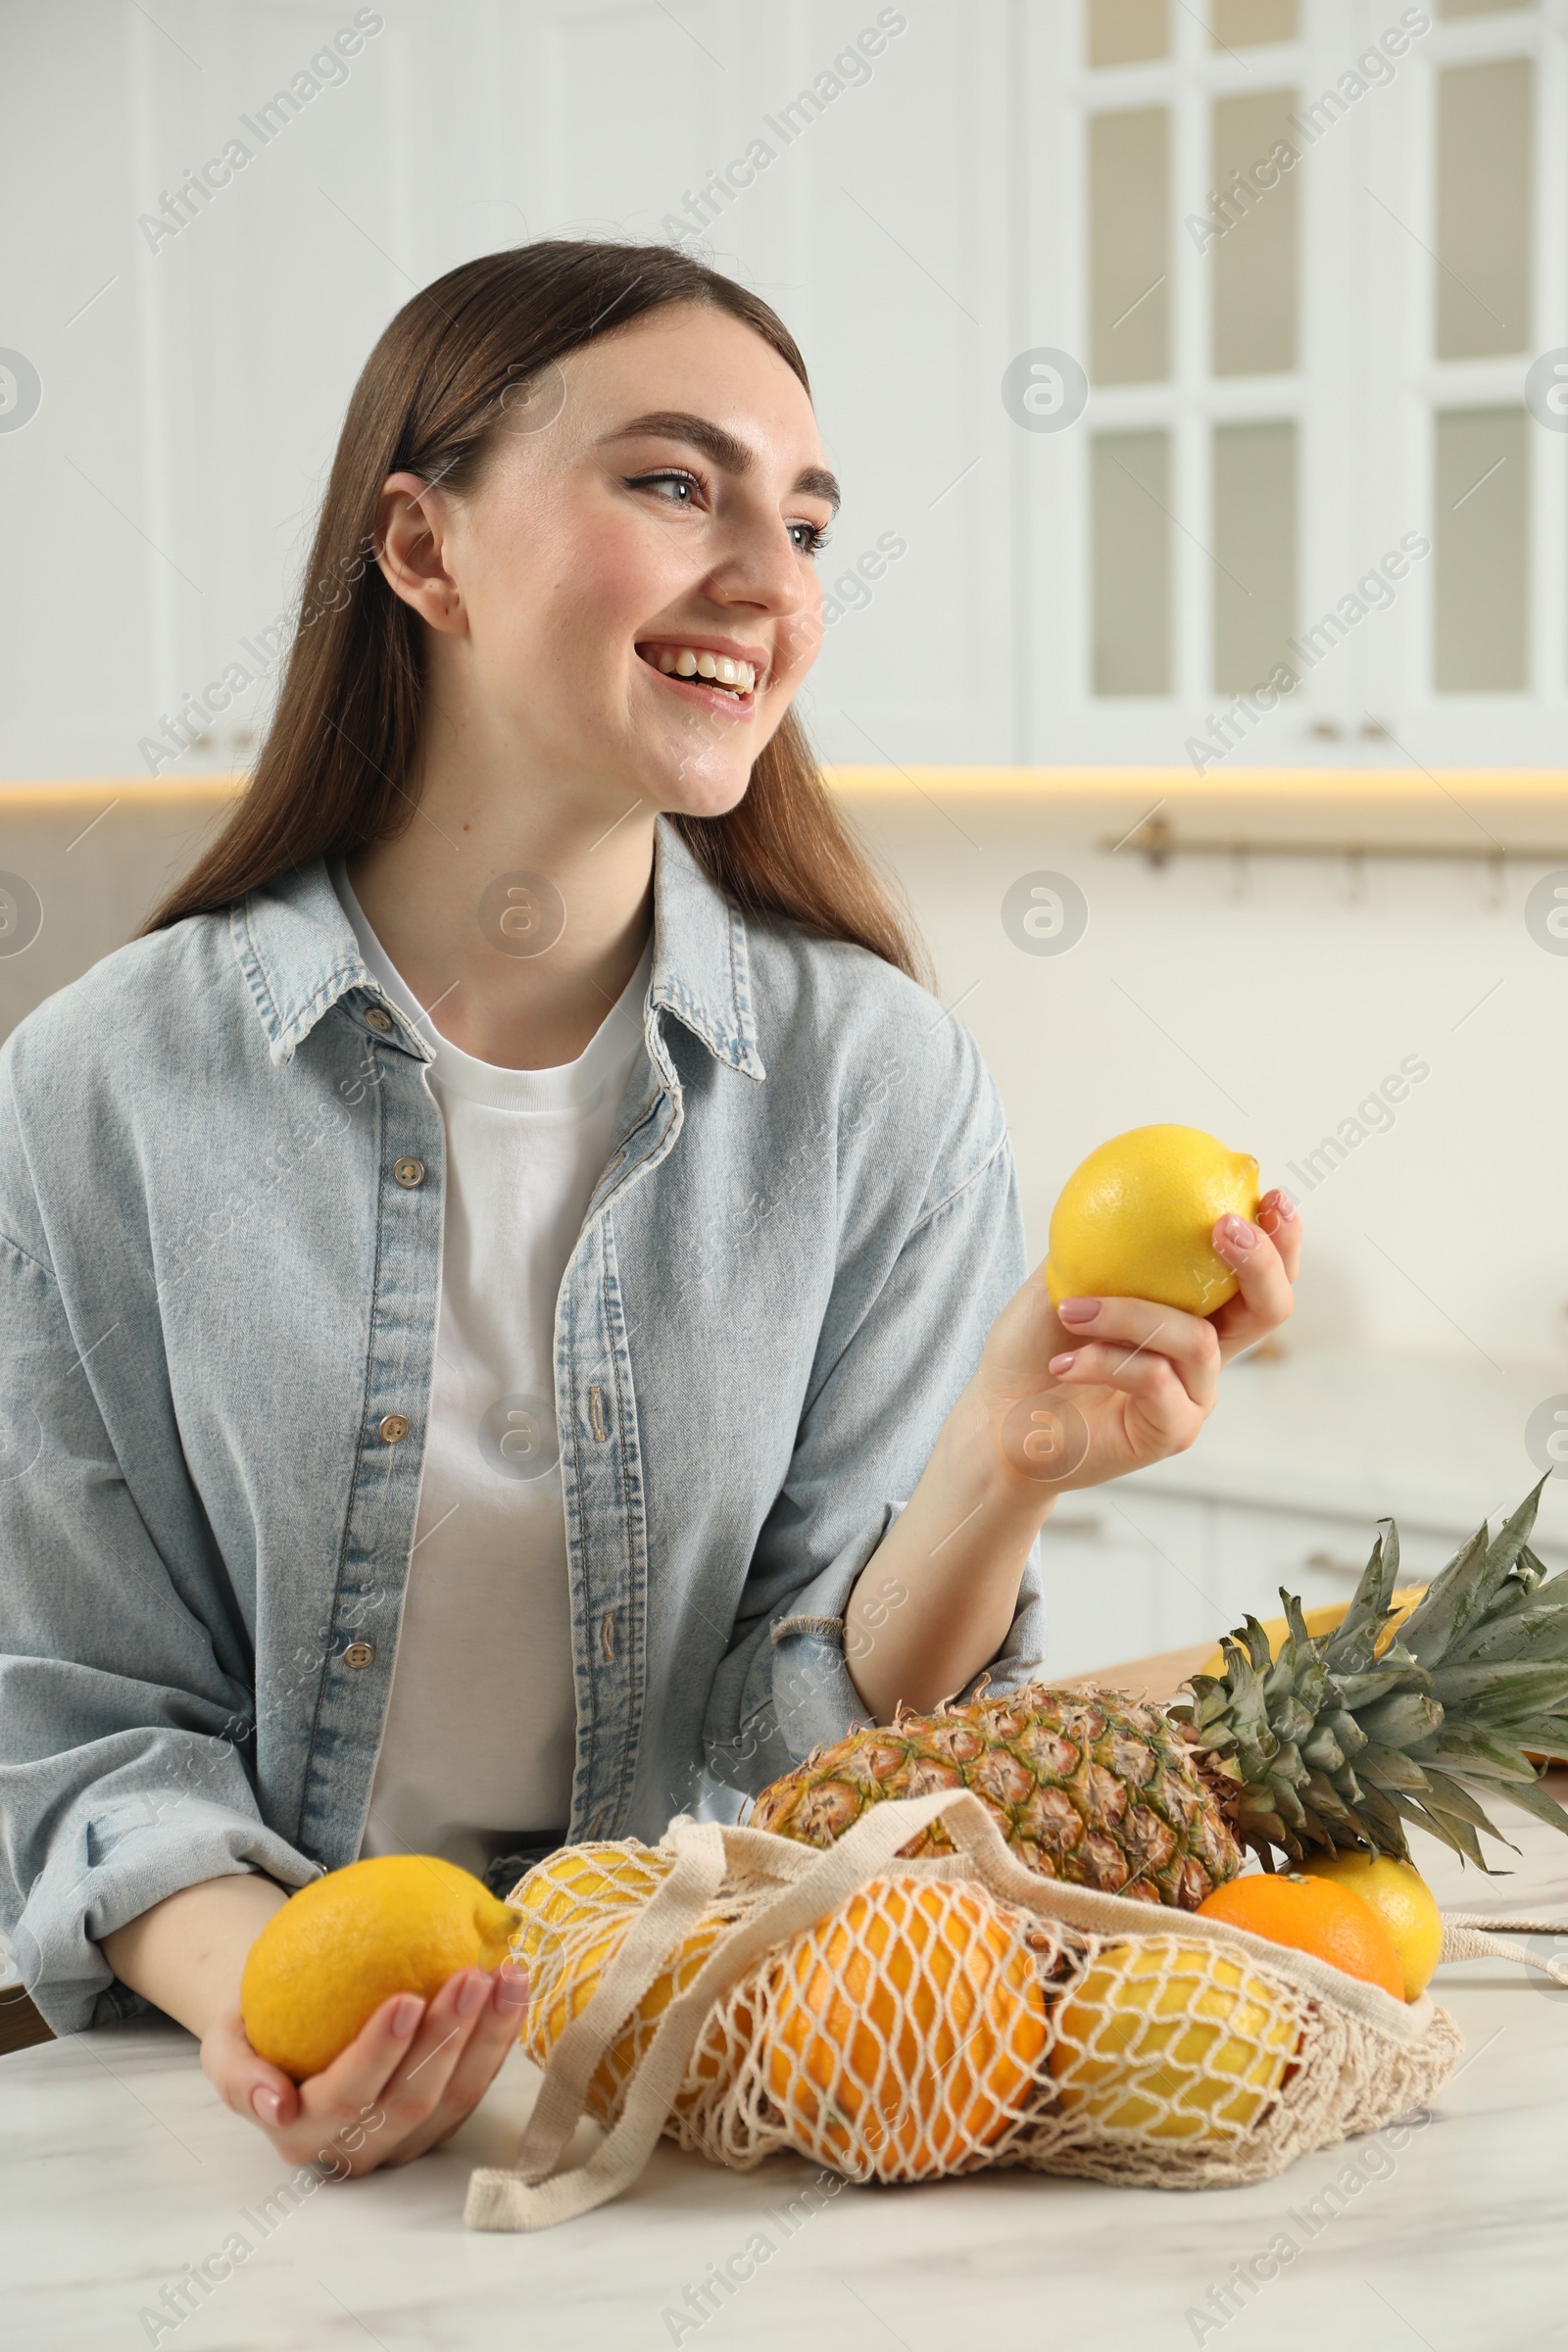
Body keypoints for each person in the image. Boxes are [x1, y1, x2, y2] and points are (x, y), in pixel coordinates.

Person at [0, 241, 1298, 2176]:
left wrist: (998, 1469)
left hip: (739, 2089)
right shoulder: (102, 1087)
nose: (768, 585)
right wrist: (290, 2021)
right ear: (423, 554)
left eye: (805, 520)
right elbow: (84, 1723)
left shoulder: (880, 1088)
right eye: (673, 485)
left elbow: (826, 1765)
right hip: (224, 2115)